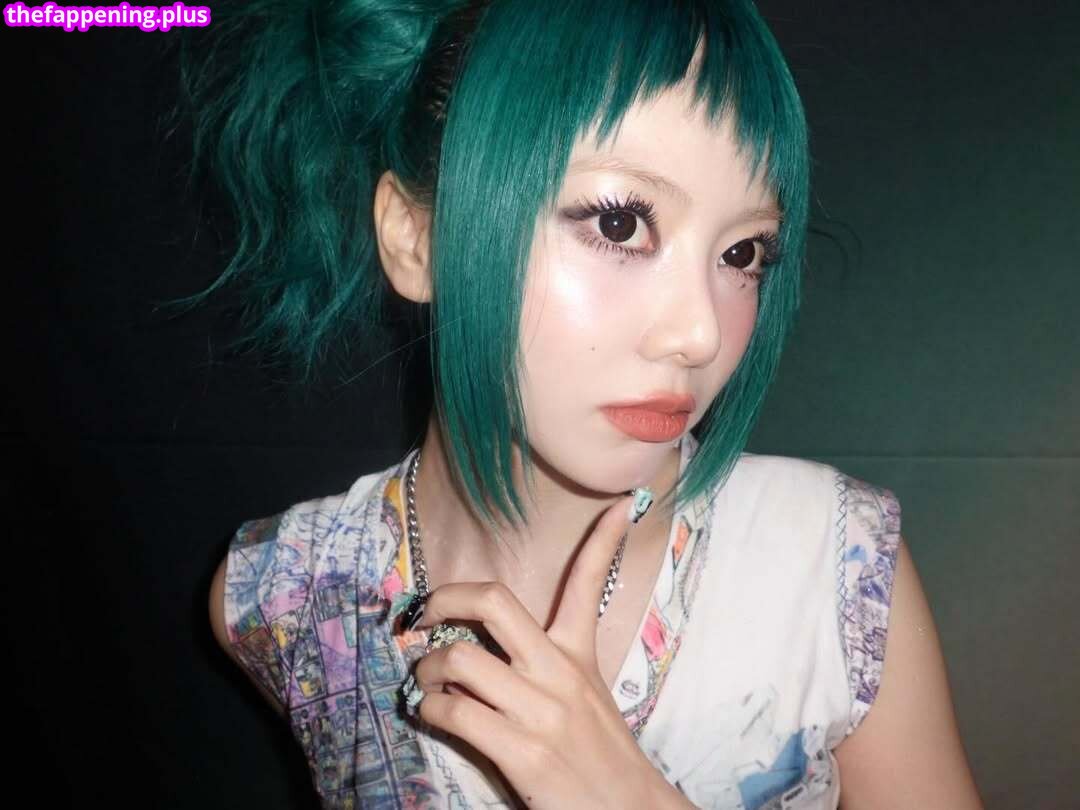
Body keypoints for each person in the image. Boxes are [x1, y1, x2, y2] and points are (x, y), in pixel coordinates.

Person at [184, 1, 985, 807]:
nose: (699, 333)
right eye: (620, 222)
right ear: (416, 239)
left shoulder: (830, 568)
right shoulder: (287, 595)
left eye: (742, 252)